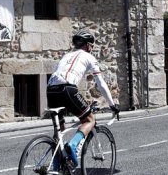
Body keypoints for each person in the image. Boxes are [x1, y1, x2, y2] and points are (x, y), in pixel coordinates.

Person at [46, 30, 120, 169]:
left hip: (50, 89)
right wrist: (112, 104)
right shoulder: (88, 57)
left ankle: (56, 167)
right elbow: (100, 83)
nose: (91, 49)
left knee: (59, 131)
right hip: (67, 88)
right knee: (89, 120)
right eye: (91, 46)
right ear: (87, 45)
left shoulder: (66, 56)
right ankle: (73, 146)